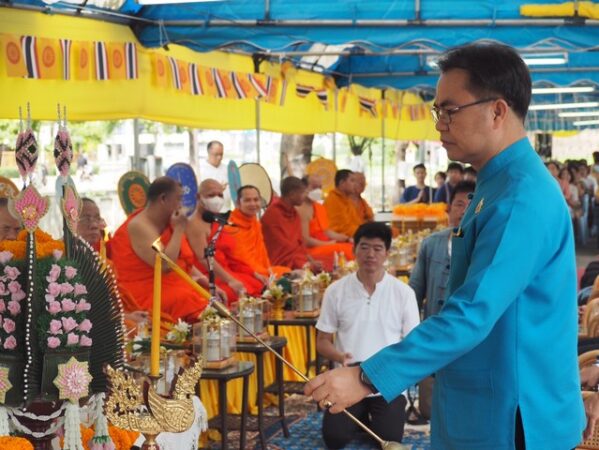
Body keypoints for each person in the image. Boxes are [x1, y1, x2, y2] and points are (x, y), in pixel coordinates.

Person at [305, 43, 585, 450]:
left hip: (514, 416)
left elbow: (472, 312)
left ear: (497, 111)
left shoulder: (521, 199)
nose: (439, 125)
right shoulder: (496, 182)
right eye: (438, 112)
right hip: (486, 398)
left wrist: (368, 377)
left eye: (450, 111)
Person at [316, 222, 419, 449]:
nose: (370, 254)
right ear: (354, 250)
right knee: (335, 438)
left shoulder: (403, 293)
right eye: (364, 247)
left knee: (389, 439)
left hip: (387, 382)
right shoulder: (336, 290)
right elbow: (322, 342)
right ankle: (360, 417)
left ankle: (368, 420)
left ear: (387, 253)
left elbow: (412, 344)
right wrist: (339, 355)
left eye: (377, 248)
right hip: (347, 379)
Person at [407, 180, 475, 419]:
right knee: (429, 409)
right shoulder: (431, 244)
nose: (463, 211)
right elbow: (415, 290)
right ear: (448, 209)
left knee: (464, 407)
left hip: (468, 334)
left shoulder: (484, 245)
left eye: (471, 204)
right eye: (458, 204)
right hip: (433, 330)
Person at [109, 177, 211, 322]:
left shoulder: (169, 222)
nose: (181, 205)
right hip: (144, 293)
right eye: (179, 199)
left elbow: (182, 260)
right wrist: (179, 230)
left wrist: (201, 278)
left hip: (170, 285)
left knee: (208, 294)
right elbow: (165, 265)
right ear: (163, 199)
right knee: (186, 299)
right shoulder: (139, 225)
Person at [186, 179, 264, 304]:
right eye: (211, 195)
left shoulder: (215, 220)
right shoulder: (195, 224)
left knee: (259, 284)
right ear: (198, 197)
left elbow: (231, 256)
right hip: (210, 276)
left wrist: (253, 273)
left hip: (226, 271)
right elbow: (205, 259)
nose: (216, 199)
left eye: (220, 195)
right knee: (239, 293)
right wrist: (230, 280)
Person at [227, 185, 291, 278]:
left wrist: (268, 270)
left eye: (256, 200)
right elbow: (243, 261)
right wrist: (267, 273)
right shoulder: (232, 226)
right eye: (247, 200)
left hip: (261, 269)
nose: (253, 204)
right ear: (238, 203)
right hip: (246, 273)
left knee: (288, 272)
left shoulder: (254, 222)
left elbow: (262, 253)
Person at [261, 176, 324, 271]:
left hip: (298, 260)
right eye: (302, 193)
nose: (304, 196)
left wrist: (311, 262)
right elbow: (283, 249)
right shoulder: (273, 214)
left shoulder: (294, 213)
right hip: (280, 265)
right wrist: (306, 265)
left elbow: (300, 244)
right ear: (292, 194)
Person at [297, 175, 354, 267]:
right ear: (304, 188)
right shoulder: (301, 209)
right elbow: (306, 240)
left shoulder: (319, 207)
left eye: (320, 187)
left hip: (325, 245)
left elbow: (326, 232)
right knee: (341, 249)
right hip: (311, 249)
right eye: (314, 187)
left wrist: (346, 238)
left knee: (351, 246)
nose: (318, 190)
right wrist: (328, 244)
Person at [324, 170, 364, 237]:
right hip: (340, 240)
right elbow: (339, 228)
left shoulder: (347, 200)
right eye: (352, 181)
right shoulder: (333, 200)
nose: (355, 184)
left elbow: (356, 222)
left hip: (354, 235)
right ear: (342, 183)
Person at [199, 140, 230, 212]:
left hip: (226, 211)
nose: (219, 157)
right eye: (216, 154)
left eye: (221, 154)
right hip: (207, 212)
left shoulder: (227, 169)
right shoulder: (200, 170)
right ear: (209, 153)